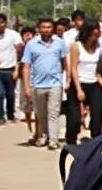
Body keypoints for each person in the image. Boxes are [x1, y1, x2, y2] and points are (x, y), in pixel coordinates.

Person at [22, 17, 68, 149]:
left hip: (55, 83)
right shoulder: (31, 45)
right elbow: (26, 66)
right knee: (41, 114)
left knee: (53, 113)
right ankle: (43, 136)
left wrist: (66, 78)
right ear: (38, 28)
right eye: (44, 27)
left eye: (49, 27)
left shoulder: (59, 43)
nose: (46, 30)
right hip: (37, 84)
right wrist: (26, 86)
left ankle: (53, 139)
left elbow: (65, 62)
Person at [67, 18, 102, 144]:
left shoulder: (100, 46)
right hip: (79, 83)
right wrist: (78, 89)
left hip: (95, 84)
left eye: (98, 30)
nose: (96, 32)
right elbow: (73, 68)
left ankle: (95, 143)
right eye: (94, 29)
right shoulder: (76, 46)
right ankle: (71, 141)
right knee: (75, 119)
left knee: (97, 117)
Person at [0, 12, 21, 125]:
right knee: (0, 94)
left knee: (11, 94)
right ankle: (0, 116)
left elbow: (19, 49)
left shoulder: (13, 35)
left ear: (6, 23)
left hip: (11, 68)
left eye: (2, 22)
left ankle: (10, 114)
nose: (0, 25)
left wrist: (17, 68)